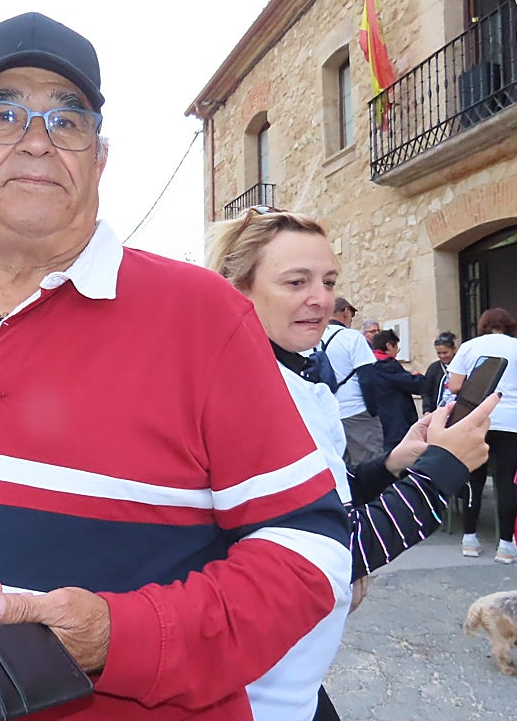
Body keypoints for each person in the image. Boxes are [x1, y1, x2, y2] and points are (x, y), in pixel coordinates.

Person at [0, 11, 351, 720]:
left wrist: (117, 637)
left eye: (68, 120)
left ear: (99, 159)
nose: (36, 140)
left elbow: (309, 551)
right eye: (0, 113)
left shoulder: (202, 315)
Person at [205, 207, 493, 721]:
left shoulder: (295, 380)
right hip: (252, 690)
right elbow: (325, 552)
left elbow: (323, 500)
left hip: (298, 673)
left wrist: (397, 463)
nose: (321, 298)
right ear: (236, 289)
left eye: (328, 280)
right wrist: (446, 467)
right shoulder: (240, 394)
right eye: (296, 281)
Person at [446, 307, 517, 564]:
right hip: (511, 421)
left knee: (473, 478)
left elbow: (455, 385)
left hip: (477, 418)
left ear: (482, 325)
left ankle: (469, 539)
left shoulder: (469, 347)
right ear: (511, 325)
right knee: (506, 482)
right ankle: (505, 544)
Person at [321, 296, 384, 465]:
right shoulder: (352, 337)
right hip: (357, 411)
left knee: (342, 469)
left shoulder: (316, 339)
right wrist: (373, 411)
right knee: (370, 466)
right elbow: (368, 379)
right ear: (346, 312)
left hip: (329, 414)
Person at [370, 329, 425, 452]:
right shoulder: (388, 365)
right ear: (389, 346)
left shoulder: (368, 364)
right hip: (396, 424)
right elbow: (414, 385)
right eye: (396, 348)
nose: (396, 352)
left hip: (377, 423)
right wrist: (418, 376)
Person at [422, 331, 457, 414]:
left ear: (454, 349)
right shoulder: (433, 368)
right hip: (438, 412)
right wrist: (427, 410)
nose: (442, 356)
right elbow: (426, 391)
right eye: (439, 353)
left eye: (445, 353)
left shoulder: (462, 367)